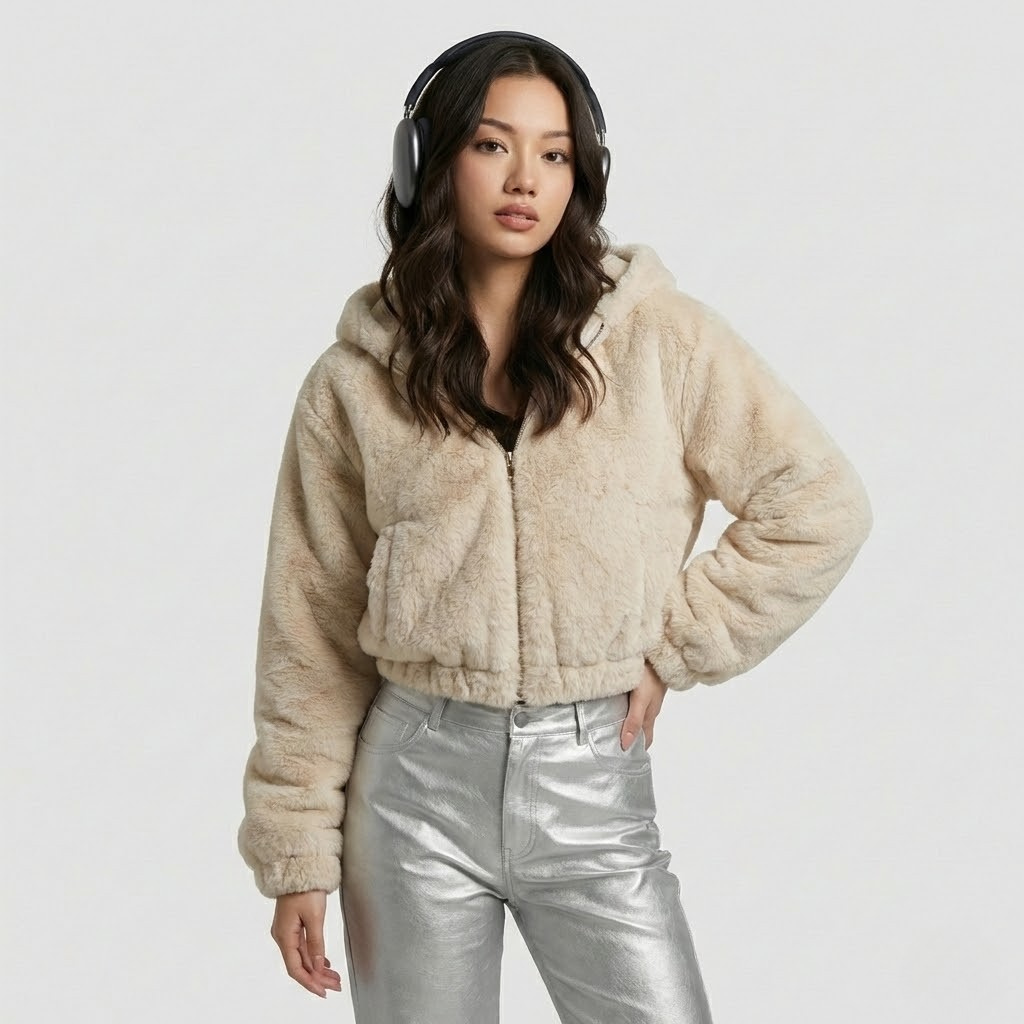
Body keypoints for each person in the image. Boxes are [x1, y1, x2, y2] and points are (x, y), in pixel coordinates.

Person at [237, 30, 872, 1024]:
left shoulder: (662, 340)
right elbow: (309, 626)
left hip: (592, 780)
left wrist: (676, 644)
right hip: (409, 793)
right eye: (492, 145)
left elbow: (819, 503)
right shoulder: (354, 381)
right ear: (428, 161)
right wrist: (296, 852)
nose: (524, 178)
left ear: (583, 173)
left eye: (555, 152)